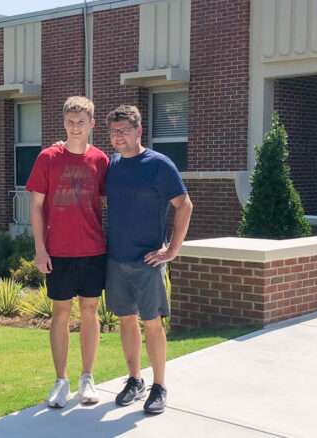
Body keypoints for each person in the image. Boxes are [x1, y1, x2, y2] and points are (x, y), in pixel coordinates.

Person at [105, 105, 193, 415]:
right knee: (126, 321)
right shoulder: (112, 165)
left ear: (139, 131)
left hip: (149, 261)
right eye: (114, 132)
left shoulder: (159, 165)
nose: (119, 137)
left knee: (152, 323)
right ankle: (134, 380)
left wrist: (172, 250)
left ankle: (159, 386)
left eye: (124, 131)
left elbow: (185, 206)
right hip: (116, 259)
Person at [25, 96, 109, 408]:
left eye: (81, 122)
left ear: (91, 125)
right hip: (57, 251)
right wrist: (40, 250)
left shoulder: (101, 160)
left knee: (90, 312)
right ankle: (61, 381)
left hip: (92, 250)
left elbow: (110, 202)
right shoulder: (48, 158)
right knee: (60, 313)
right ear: (64, 123)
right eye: (71, 122)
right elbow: (35, 206)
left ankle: (88, 377)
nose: (76, 127)